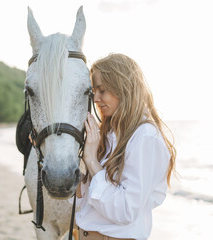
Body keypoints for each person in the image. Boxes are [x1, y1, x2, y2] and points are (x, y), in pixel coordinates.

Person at [75, 53, 176, 240]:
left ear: (123, 88)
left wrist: (91, 160)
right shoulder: (111, 134)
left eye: (102, 90)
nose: (96, 99)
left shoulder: (145, 138)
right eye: (93, 92)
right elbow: (93, 199)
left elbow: (125, 210)